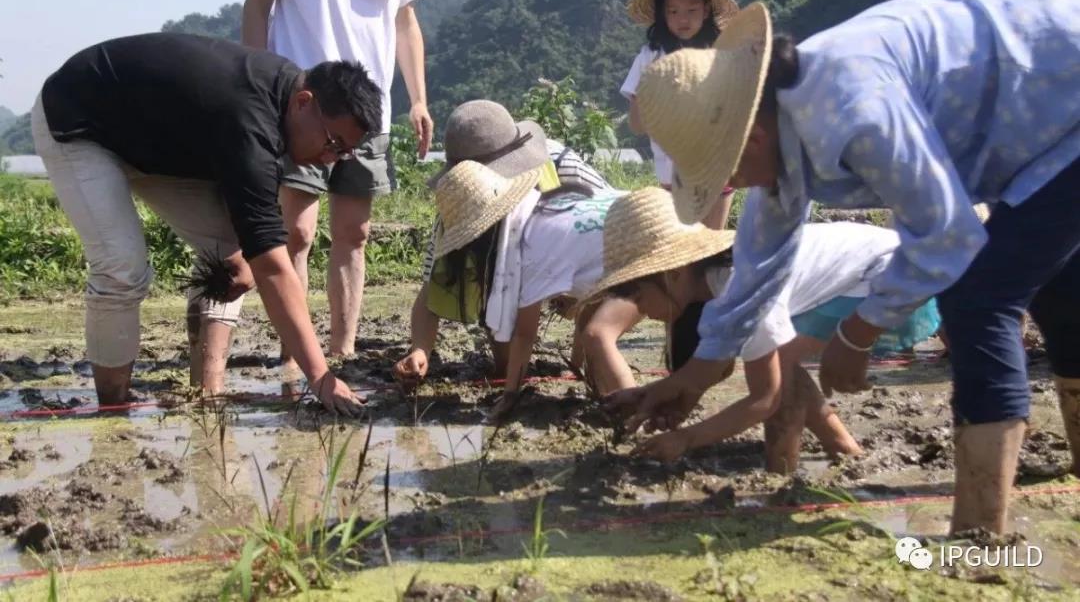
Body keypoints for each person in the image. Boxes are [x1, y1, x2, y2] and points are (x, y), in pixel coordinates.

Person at [618, 0, 1080, 534]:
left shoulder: (854, 110)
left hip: (1063, 98)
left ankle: (978, 543)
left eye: (725, 174)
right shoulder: (780, 131)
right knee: (1059, 292)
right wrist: (686, 381)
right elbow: (754, 274)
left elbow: (947, 237)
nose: (732, 187)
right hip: (1034, 140)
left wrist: (859, 332)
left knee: (979, 297)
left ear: (751, 142)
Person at [31, 32, 376, 416]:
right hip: (80, 122)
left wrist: (246, 258)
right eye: (333, 142)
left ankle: (206, 392)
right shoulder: (250, 121)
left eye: (343, 152)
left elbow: (254, 246)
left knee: (230, 252)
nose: (331, 160)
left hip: (153, 142)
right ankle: (113, 409)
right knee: (121, 267)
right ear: (303, 102)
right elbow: (273, 267)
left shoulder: (283, 103)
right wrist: (321, 377)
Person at [594, 188, 941, 472]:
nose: (640, 312)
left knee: (779, 370)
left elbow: (763, 401)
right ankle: (845, 451)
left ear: (672, 274)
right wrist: (648, 394)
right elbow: (703, 371)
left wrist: (686, 438)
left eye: (639, 298)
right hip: (884, 274)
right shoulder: (722, 283)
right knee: (778, 357)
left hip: (892, 286)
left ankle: (781, 470)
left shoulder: (740, 286)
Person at [242, 0, 432, 383]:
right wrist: (258, 86)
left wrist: (417, 99)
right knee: (297, 233)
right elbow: (258, 7)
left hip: (367, 113)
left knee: (354, 233)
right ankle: (295, 352)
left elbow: (405, 22)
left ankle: (342, 350)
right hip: (305, 108)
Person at [392, 100, 613, 389]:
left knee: (595, 360)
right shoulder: (462, 201)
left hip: (580, 267)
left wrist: (581, 362)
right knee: (504, 369)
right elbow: (431, 286)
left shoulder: (561, 166)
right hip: (507, 278)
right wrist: (420, 350)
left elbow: (608, 242)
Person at [429, 161, 634, 417]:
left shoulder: (528, 249)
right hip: (655, 221)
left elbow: (524, 335)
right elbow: (594, 285)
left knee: (598, 335)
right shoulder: (545, 206)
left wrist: (510, 395)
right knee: (591, 325)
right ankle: (612, 400)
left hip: (643, 253)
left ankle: (638, 422)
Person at [622, 0, 738, 225]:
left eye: (691, 10)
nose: (682, 19)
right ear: (663, 15)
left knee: (711, 247)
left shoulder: (721, 54)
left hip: (715, 169)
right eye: (673, 11)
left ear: (706, 10)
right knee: (680, 253)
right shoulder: (649, 57)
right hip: (671, 174)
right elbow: (637, 124)